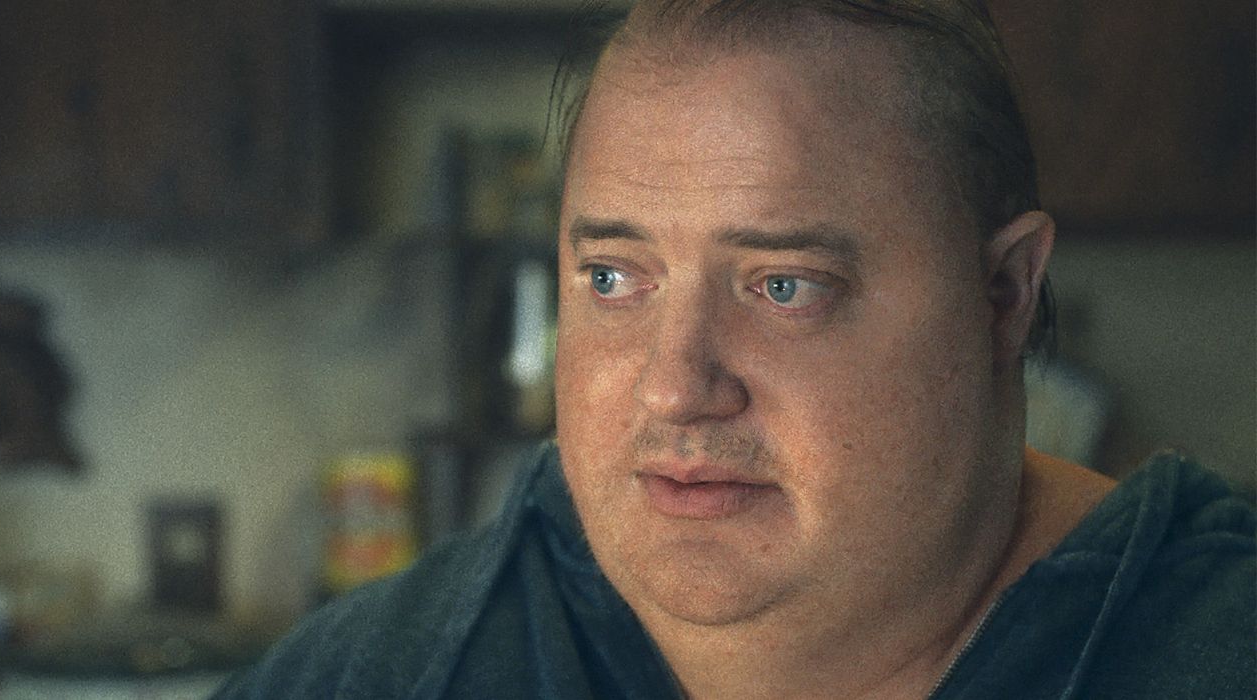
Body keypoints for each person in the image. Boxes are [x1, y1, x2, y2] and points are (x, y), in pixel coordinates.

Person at [215, 1, 1255, 697]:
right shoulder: (387, 673)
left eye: (782, 286)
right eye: (613, 278)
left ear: (1002, 294)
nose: (673, 388)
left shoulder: (1209, 648)